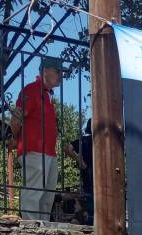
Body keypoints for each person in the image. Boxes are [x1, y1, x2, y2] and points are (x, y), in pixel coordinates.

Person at [8, 57, 62, 222]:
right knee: (34, 191)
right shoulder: (32, 90)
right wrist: (14, 138)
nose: (61, 75)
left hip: (48, 152)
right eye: (58, 71)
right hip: (34, 150)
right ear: (45, 71)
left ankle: (42, 227)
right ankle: (30, 225)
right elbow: (17, 118)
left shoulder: (47, 95)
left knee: (47, 194)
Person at [66, 119, 93, 223]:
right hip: (99, 179)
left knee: (90, 207)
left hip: (87, 177)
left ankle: (90, 225)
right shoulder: (104, 142)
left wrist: (81, 162)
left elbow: (68, 148)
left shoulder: (84, 140)